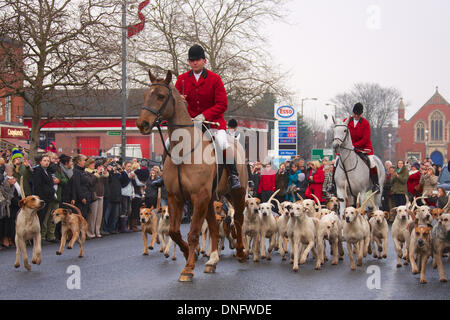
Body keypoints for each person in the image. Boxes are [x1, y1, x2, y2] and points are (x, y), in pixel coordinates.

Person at [174, 44, 240, 190]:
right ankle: (167, 176)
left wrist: (204, 115)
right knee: (169, 142)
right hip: (190, 123)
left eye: (197, 60)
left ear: (204, 61)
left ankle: (233, 174)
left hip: (213, 122)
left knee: (222, 142)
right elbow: (173, 101)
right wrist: (179, 99)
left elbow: (222, 104)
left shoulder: (215, 79)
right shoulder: (182, 79)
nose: (194, 63)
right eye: (192, 60)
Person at [329, 103, 380, 193]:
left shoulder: (365, 123)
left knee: (371, 162)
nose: (356, 116)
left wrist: (354, 146)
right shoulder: (346, 121)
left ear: (361, 114)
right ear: (352, 113)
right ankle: (332, 184)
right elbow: (342, 134)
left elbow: (366, 139)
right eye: (354, 114)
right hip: (347, 148)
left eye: (358, 114)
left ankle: (376, 184)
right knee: (336, 162)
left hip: (363, 148)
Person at [32, 154, 58, 242]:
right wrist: (41, 198)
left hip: (48, 197)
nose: (47, 163)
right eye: (44, 161)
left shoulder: (47, 171)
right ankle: (38, 237)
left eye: (48, 161)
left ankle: (43, 236)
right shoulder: (38, 171)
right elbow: (38, 186)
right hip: (42, 198)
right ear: (40, 162)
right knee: (40, 218)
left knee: (45, 217)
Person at [71, 154, 91, 219]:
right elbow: (77, 185)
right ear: (79, 162)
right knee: (80, 217)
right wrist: (82, 197)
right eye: (84, 160)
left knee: (85, 216)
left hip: (87, 194)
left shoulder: (83, 171)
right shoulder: (76, 171)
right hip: (81, 198)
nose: (85, 162)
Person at [119, 161, 134, 233]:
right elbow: (123, 183)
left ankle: (126, 226)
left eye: (130, 166)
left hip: (129, 194)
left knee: (129, 210)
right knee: (124, 210)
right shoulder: (123, 173)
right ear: (124, 166)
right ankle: (123, 227)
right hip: (123, 193)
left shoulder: (131, 173)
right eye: (128, 166)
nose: (130, 168)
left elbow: (132, 184)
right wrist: (129, 178)